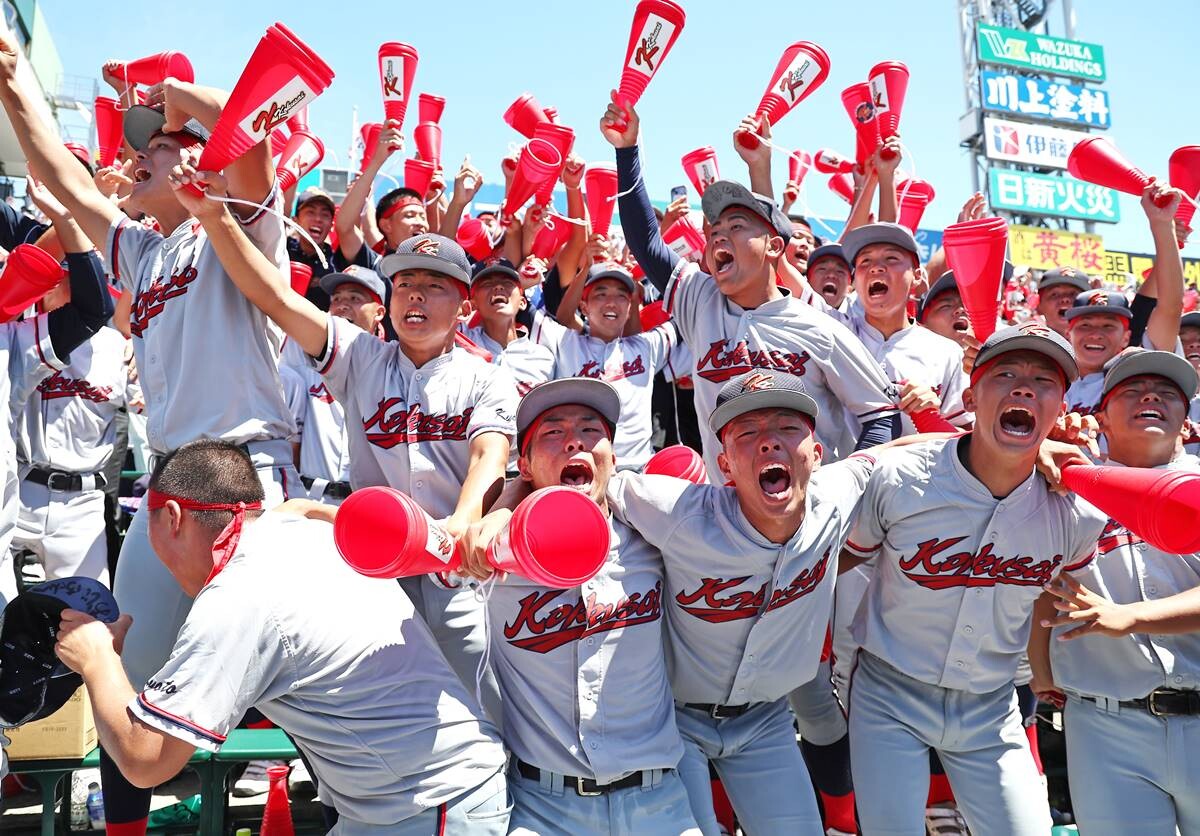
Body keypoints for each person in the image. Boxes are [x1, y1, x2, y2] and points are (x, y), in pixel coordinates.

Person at [167, 161, 516, 726]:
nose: (414, 296)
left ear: (464, 307)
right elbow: (277, 299)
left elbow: (490, 454)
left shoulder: (487, 374)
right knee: (373, 706)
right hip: (375, 568)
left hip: (458, 571)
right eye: (404, 283)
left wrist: (464, 518)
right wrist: (214, 219)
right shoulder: (361, 355)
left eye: (434, 285)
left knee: (476, 711)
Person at [52, 440, 510, 834]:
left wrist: (98, 659)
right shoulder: (294, 529)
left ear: (171, 516)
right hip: (425, 797)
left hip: (433, 804)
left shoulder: (240, 593)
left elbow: (146, 760)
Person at [600, 369, 912, 835]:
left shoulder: (836, 495)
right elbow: (597, 481)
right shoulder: (678, 511)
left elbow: (899, 453)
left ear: (816, 453)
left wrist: (1034, 452)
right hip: (674, 720)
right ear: (724, 465)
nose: (769, 442)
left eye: (788, 428)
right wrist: (503, 501)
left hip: (766, 719)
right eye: (747, 433)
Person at [841, 323, 1108, 835]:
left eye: (1044, 380)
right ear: (969, 395)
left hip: (991, 705)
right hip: (889, 692)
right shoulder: (900, 479)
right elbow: (835, 565)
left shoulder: (1077, 511)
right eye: (1004, 374)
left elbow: (1053, 597)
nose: (1024, 387)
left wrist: (1042, 670)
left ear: (1061, 410)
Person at [603, 95, 900, 476]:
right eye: (716, 231)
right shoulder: (700, 300)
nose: (719, 237)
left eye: (737, 227)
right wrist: (627, 150)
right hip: (725, 515)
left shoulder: (820, 328)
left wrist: (846, 489)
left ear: (775, 246)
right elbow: (646, 244)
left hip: (805, 518)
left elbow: (881, 414)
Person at [457, 378, 700, 835]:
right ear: (523, 465)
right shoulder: (492, 552)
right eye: (552, 432)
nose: (574, 440)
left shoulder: (656, 540)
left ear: (611, 455)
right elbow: (417, 544)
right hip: (543, 809)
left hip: (659, 801)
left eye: (591, 430)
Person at [1031, 350, 1200, 836]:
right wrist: (1042, 672)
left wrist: (1131, 617)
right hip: (1107, 724)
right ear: (1099, 417)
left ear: (1186, 425)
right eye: (1131, 390)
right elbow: (1047, 582)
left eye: (1168, 393)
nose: (1151, 396)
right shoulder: (1062, 488)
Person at [10, 184, 134, 586]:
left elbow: (151, 405)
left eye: (69, 280)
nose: (58, 286)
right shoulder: (17, 334)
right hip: (20, 488)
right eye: (56, 277)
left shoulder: (117, 347)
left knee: (85, 619)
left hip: (83, 501)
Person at [533, 260, 676, 470]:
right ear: (584, 306)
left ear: (630, 308)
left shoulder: (648, 346)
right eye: (601, 294)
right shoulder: (565, 342)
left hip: (638, 471)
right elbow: (516, 308)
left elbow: (694, 312)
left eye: (621, 295)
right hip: (582, 470)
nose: (611, 302)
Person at [1064, 184, 1185, 414]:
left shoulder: (1142, 374)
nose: (1095, 333)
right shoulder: (1050, 384)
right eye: (1085, 324)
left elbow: (1170, 307)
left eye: (1109, 326)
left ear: (1126, 338)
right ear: (1068, 335)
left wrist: (1161, 225)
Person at [288, 187, 336, 306]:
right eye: (310, 212)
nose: (318, 219)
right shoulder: (281, 250)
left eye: (325, 215)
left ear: (331, 225)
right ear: (295, 221)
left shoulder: (336, 262)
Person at [1034, 267, 1090, 337]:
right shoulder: (1024, 344)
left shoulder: (1104, 344)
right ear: (1039, 307)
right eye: (1054, 294)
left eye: (1073, 294)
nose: (1065, 299)